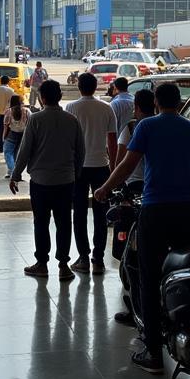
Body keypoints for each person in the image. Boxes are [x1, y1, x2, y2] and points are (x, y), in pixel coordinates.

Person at [94, 82, 190, 373]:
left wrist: (103, 189)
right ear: (178, 102)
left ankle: (152, 352)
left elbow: (127, 165)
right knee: (187, 269)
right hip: (188, 209)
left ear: (158, 103)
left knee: (148, 277)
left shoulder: (147, 127)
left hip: (155, 210)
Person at [10, 79, 85, 281]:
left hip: (41, 182)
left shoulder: (35, 119)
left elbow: (25, 150)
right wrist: (75, 174)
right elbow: (81, 152)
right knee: (63, 223)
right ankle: (63, 265)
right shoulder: (72, 120)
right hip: (65, 181)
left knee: (41, 222)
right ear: (59, 97)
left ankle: (42, 264)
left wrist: (15, 175)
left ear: (42, 98)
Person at [66, 72, 118, 274]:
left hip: (78, 168)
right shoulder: (106, 108)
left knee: (78, 214)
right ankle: (98, 259)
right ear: (96, 87)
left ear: (79, 87)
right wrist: (113, 169)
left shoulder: (71, 108)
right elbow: (112, 142)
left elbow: (68, 141)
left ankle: (83, 258)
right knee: (101, 214)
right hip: (101, 167)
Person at [112, 88, 155, 329]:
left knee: (132, 250)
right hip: (159, 188)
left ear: (136, 107)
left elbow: (122, 163)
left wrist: (108, 187)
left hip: (136, 190)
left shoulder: (132, 128)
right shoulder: (180, 126)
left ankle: (139, 308)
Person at [3, 94, 30, 179]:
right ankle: (14, 172)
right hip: (23, 135)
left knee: (8, 153)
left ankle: (13, 172)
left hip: (12, 134)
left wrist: (4, 137)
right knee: (17, 155)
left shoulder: (9, 111)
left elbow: (6, 126)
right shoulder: (26, 111)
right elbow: (30, 124)